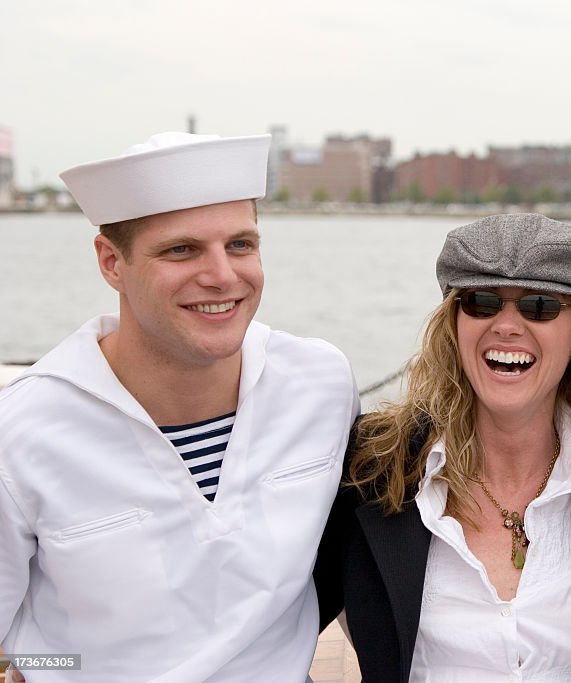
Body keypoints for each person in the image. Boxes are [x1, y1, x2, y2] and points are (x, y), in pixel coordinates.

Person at [0, 132, 359, 682]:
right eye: (181, 249)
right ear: (110, 262)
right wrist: (58, 670)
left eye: (241, 244)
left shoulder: (320, 383)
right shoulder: (22, 431)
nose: (222, 275)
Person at [314, 213, 571, 682]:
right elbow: (271, 617)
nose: (506, 325)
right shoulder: (374, 465)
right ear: (453, 326)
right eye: (481, 302)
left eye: (539, 306)